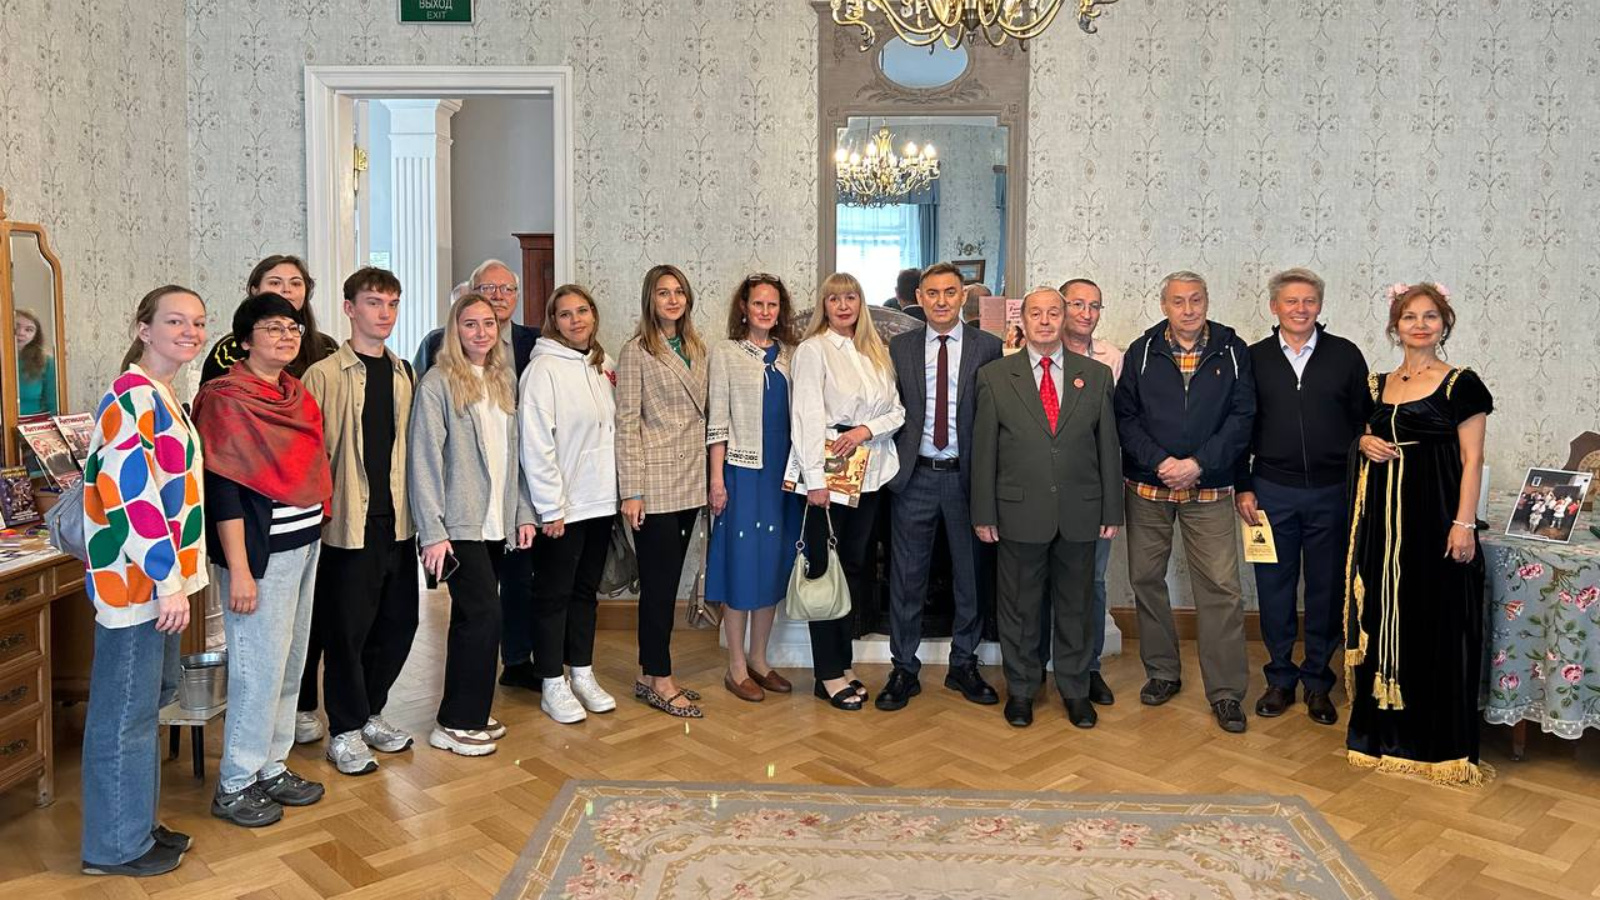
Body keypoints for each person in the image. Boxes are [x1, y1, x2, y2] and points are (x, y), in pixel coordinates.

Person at [79, 286, 210, 877]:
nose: (190, 332)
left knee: (144, 707)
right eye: (175, 321)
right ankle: (114, 847)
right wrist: (165, 580)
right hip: (136, 587)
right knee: (124, 714)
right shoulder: (130, 397)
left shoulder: (161, 395)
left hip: (155, 584)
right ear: (144, 329)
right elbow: (130, 495)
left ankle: (134, 825)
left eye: (198, 323)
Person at [193, 292, 333, 827]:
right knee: (258, 669)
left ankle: (271, 765)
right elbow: (223, 490)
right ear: (245, 340)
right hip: (259, 554)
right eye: (272, 327)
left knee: (291, 662)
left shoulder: (295, 394)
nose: (286, 336)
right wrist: (240, 571)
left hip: (304, 543)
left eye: (293, 327)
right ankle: (235, 781)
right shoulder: (225, 399)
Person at [1345, 282, 1491, 785]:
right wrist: (1364, 442)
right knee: (1385, 615)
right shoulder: (1375, 384)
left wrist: (1463, 523)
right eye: (1410, 316)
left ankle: (1438, 745)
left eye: (1431, 316)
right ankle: (1380, 736)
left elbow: (1473, 458)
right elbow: (1358, 436)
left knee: (1434, 621)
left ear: (1444, 324)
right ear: (1396, 326)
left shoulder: (1461, 384)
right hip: (1383, 528)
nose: (1420, 325)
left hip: (1436, 521)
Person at [971, 287, 1123, 729]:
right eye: (1035, 313)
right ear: (1022, 320)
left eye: (1053, 312)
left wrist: (1111, 510)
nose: (1045, 321)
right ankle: (1022, 689)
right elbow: (984, 452)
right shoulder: (995, 376)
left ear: (1064, 318)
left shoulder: (1095, 376)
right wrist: (984, 513)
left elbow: (1107, 448)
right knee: (1019, 607)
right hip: (1018, 511)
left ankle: (1075, 689)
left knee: (1076, 606)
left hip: (1080, 511)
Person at [1114, 271, 1255, 734]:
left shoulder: (1233, 351)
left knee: (1221, 588)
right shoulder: (1142, 351)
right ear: (1164, 305)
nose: (1188, 309)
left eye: (1196, 300)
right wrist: (1161, 462)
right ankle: (1162, 672)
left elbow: (1242, 418)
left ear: (1207, 301)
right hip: (1149, 488)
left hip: (1209, 488)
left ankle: (1226, 692)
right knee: (1146, 579)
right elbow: (1125, 417)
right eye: (1178, 301)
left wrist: (1198, 463)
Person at [1235, 268, 1371, 727]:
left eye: (1309, 300)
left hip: (1332, 493)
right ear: (1274, 306)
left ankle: (1317, 682)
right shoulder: (1253, 358)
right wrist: (1243, 485)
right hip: (1270, 492)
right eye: (1291, 301)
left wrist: (1358, 488)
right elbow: (1240, 427)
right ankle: (1279, 678)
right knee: (1274, 588)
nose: (1300, 309)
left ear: (1320, 306)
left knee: (1326, 589)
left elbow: (1364, 424)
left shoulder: (1345, 355)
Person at [301, 268, 419, 776]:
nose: (384, 313)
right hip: (347, 523)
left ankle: (371, 713)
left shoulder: (404, 373)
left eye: (392, 303)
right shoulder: (323, 375)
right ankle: (344, 731)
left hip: (398, 521)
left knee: (398, 624)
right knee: (347, 631)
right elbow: (309, 455)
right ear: (350, 308)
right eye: (374, 303)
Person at [410, 292, 536, 754]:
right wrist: (433, 532)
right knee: (483, 616)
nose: (481, 332)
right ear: (454, 330)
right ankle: (454, 723)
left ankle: (473, 710)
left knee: (476, 618)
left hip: (496, 523)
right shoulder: (438, 383)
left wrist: (523, 513)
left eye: (488, 324)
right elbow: (423, 461)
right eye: (470, 324)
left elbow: (515, 457)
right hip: (458, 525)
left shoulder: (503, 380)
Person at [879, 262, 1002, 711]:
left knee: (970, 578)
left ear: (963, 295)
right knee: (906, 578)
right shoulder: (901, 347)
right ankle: (903, 668)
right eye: (932, 293)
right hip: (914, 477)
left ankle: (963, 664)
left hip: (968, 478)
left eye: (950, 292)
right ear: (920, 298)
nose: (942, 301)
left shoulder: (989, 347)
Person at [790, 272, 905, 711]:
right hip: (827, 476)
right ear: (824, 305)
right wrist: (815, 481)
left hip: (870, 475)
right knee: (825, 570)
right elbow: (804, 416)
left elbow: (897, 412)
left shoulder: (875, 352)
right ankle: (827, 673)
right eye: (834, 299)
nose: (843, 306)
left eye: (851, 297)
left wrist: (864, 430)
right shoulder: (813, 350)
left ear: (860, 302)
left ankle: (843, 663)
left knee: (853, 570)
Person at [518, 284, 620, 724]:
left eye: (582, 311)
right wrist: (550, 507)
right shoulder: (542, 370)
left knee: (585, 593)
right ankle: (551, 681)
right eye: (565, 314)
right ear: (553, 322)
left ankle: (581, 671)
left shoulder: (603, 364)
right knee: (553, 594)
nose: (576, 320)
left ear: (593, 315)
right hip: (563, 508)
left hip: (601, 502)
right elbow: (535, 443)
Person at [616, 264, 710, 717]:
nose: (672, 300)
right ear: (649, 300)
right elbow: (626, 424)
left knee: (669, 581)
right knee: (658, 585)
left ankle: (645, 673)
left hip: (691, 477)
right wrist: (631, 490)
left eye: (679, 292)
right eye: (663, 293)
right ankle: (661, 677)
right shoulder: (636, 351)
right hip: (653, 483)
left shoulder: (697, 346)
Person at [705, 274, 802, 702]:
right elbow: (718, 421)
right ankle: (737, 666)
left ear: (780, 311)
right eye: (758, 303)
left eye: (772, 305)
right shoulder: (725, 353)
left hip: (783, 476)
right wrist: (716, 479)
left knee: (772, 564)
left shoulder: (792, 356)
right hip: (742, 474)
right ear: (744, 308)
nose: (765, 311)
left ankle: (760, 660)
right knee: (741, 565)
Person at [1036, 278, 1124, 706]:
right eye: (1076, 304)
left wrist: (1111, 503)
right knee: (1037, 582)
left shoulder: (1112, 361)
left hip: (1089, 494)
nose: (1086, 314)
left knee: (1091, 581)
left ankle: (1088, 668)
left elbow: (1113, 434)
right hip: (1038, 492)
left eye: (1095, 306)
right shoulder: (1026, 358)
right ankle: (1036, 667)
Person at [200, 255, 338, 383]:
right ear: (255, 290)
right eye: (275, 283)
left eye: (296, 283)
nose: (286, 289)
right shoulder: (228, 351)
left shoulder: (327, 347)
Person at [15, 309, 57, 414]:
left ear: (35, 335)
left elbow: (53, 405)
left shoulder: (47, 362)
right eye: (16, 326)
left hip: (33, 422)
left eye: (29, 330)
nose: (21, 333)